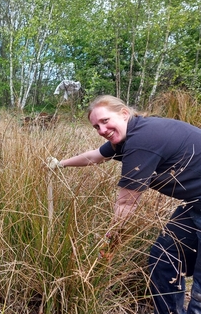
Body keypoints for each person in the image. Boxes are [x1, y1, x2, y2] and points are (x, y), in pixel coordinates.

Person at [47, 94, 201, 314]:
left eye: (105, 121)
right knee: (163, 260)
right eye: (96, 127)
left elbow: (126, 203)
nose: (102, 129)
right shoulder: (128, 136)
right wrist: (60, 164)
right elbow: (95, 156)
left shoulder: (142, 140)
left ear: (124, 114)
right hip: (195, 203)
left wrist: (109, 243)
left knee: (199, 293)